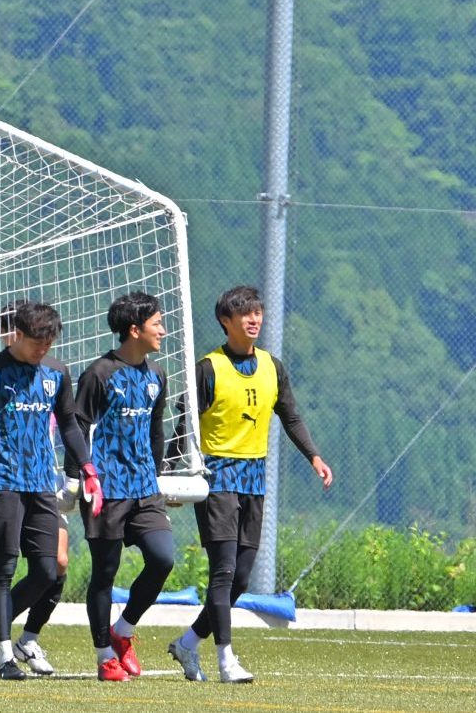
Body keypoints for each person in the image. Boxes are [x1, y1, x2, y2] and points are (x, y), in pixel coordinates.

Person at [168, 285, 332, 685]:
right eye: (246, 314)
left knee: (240, 578)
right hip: (216, 476)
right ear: (226, 322)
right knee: (223, 572)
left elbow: (291, 417)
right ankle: (226, 660)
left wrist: (314, 456)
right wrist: (170, 473)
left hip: (254, 478)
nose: (254, 319)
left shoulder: (273, 367)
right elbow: (184, 425)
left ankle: (188, 643)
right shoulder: (208, 368)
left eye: (257, 312)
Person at [0, 298, 96, 680]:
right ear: (18, 334)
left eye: (49, 342)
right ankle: (3, 655)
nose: (43, 348)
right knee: (3, 569)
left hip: (43, 483)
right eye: (37, 341)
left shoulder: (57, 372)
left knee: (47, 570)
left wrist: (87, 467)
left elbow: (69, 424)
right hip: (2, 482)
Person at [75, 290, 177, 682]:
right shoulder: (99, 374)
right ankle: (104, 655)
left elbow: (156, 430)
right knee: (105, 573)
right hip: (107, 490)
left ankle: (123, 630)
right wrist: (84, 476)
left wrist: (158, 474)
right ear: (134, 330)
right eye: (157, 324)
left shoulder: (157, 375)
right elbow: (77, 427)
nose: (163, 331)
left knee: (162, 559)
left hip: (145, 488)